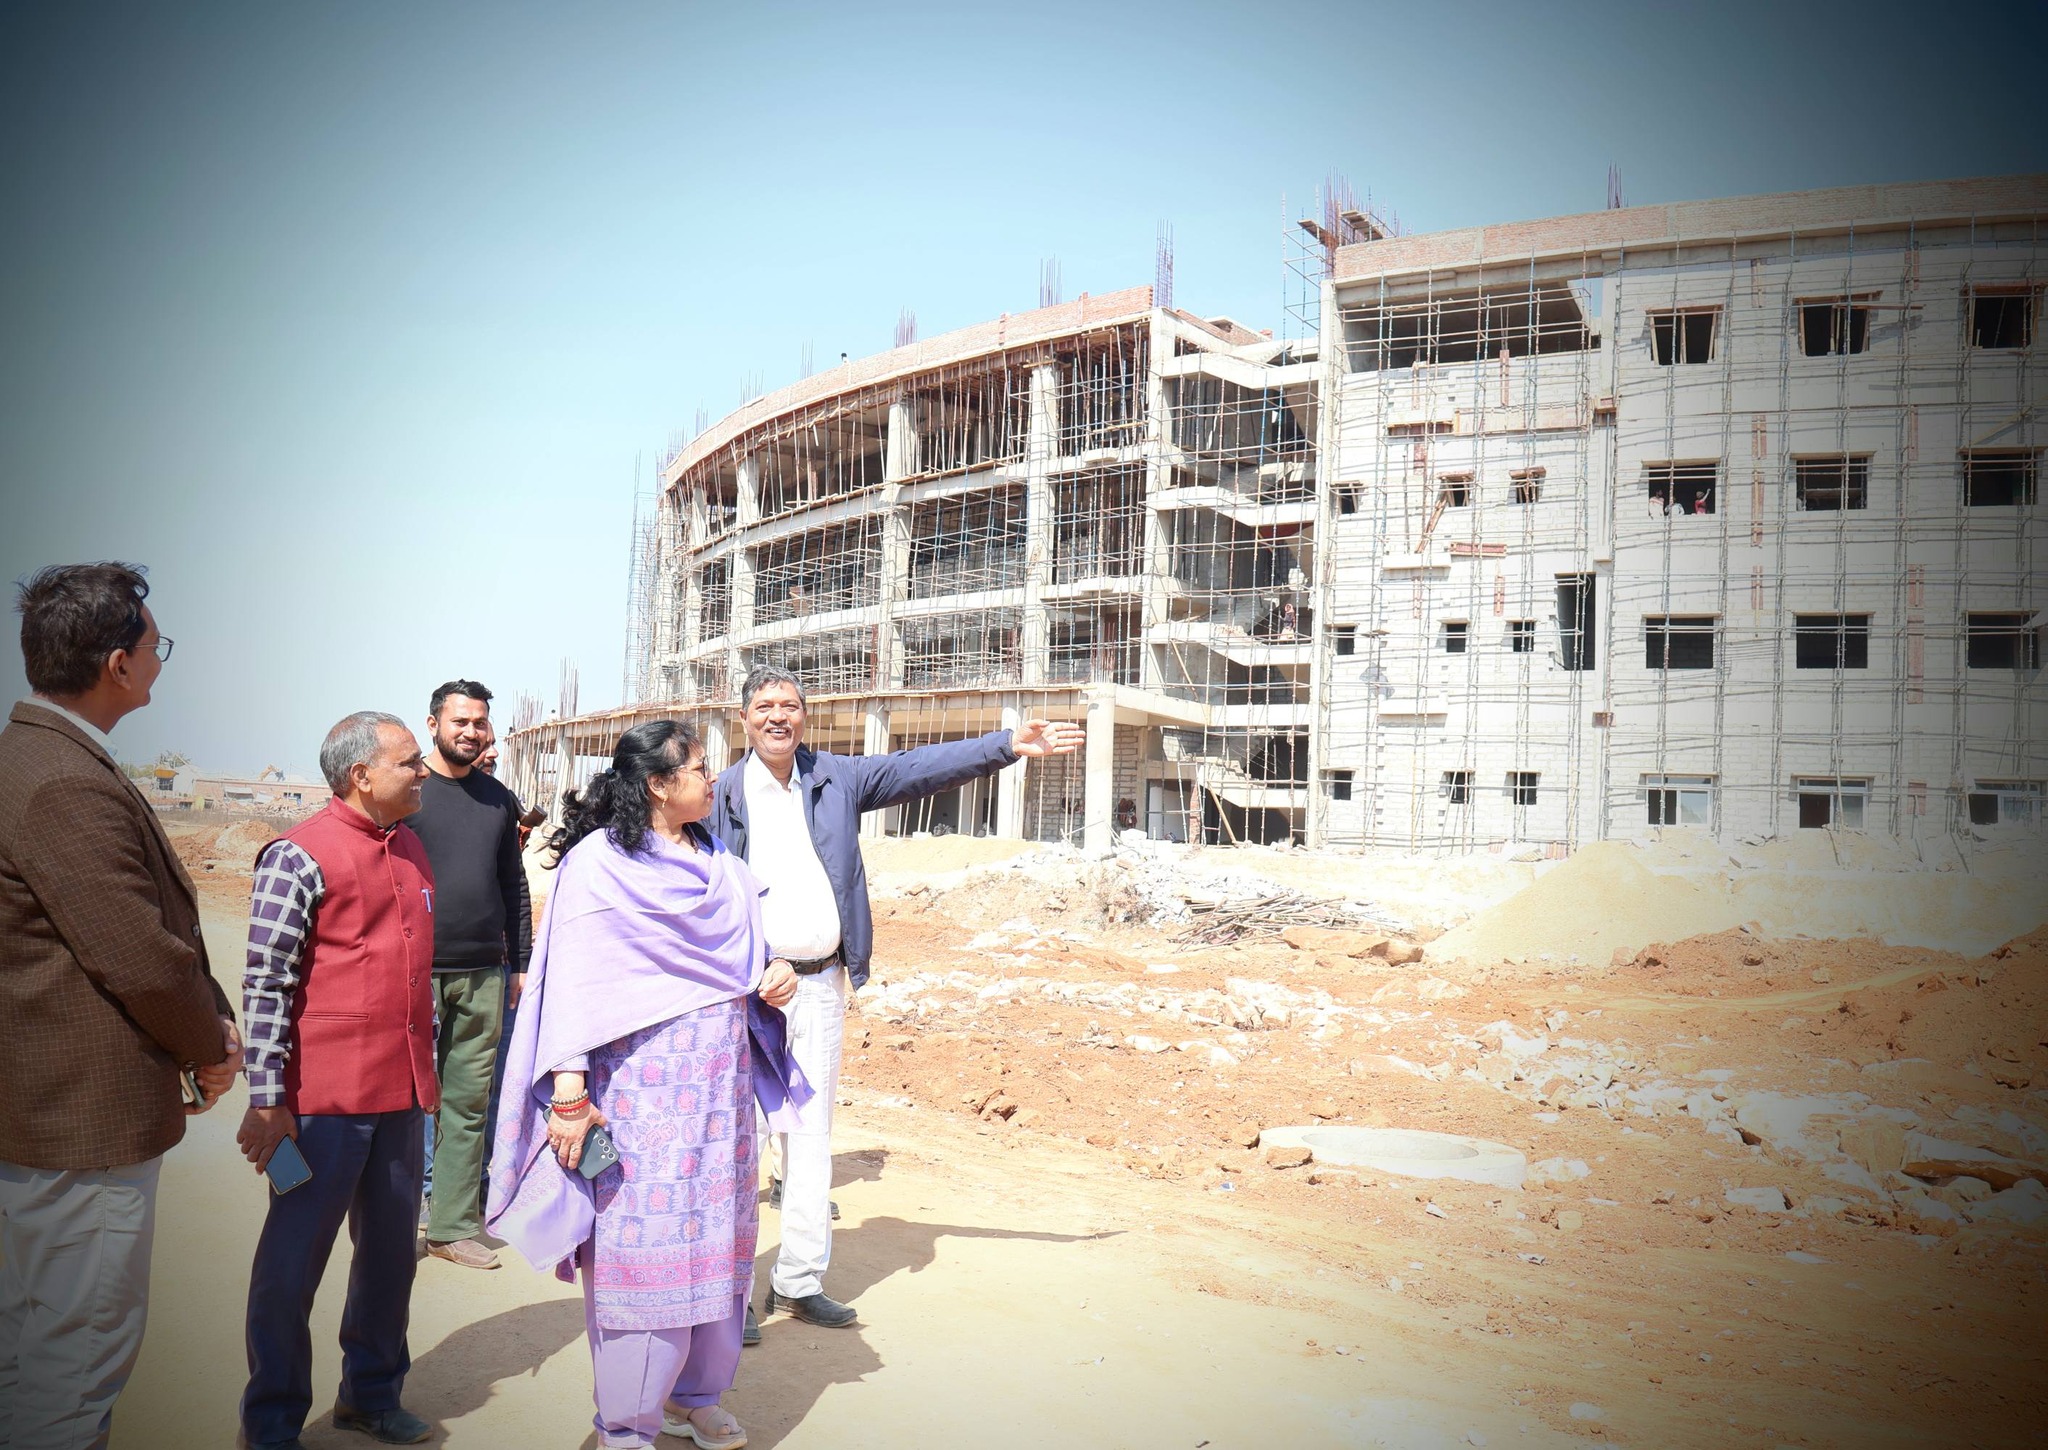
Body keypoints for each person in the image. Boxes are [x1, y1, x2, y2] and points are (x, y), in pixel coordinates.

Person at [708, 664, 1082, 1334]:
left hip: (821, 986)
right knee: (743, 1140)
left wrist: (1005, 745)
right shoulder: (722, 795)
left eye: (789, 705)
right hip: (749, 992)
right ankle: (726, 1296)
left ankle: (797, 1283)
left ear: (805, 715)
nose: (777, 717)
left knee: (810, 1137)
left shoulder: (836, 779)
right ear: (744, 718)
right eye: (764, 706)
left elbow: (917, 769)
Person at [487, 720, 807, 1450]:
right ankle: (625, 1424)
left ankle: (695, 1396)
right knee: (645, 1253)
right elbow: (571, 987)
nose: (713, 777)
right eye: (699, 767)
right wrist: (570, 1095)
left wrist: (773, 973)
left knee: (719, 1242)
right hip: (637, 1102)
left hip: (720, 1101)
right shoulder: (598, 867)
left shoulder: (722, 863)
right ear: (658, 784)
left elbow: (748, 959)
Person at [0, 562, 240, 1450]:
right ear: (117, 663)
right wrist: (209, 1044)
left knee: (29, 1358)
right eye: (155, 645)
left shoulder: (36, 756)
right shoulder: (61, 778)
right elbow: (138, 956)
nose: (159, 662)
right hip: (80, 1127)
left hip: (44, 1120)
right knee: (73, 1371)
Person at [235, 712, 440, 1450]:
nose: (422, 771)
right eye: (409, 761)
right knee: (291, 1264)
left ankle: (372, 1395)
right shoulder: (297, 856)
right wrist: (268, 1100)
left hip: (402, 1098)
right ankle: (272, 1421)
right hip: (319, 1108)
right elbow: (266, 983)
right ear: (361, 775)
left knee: (390, 1259)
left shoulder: (410, 845)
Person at [407, 680, 531, 1269]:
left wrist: (521, 962)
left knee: (467, 1103)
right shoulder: (406, 790)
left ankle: (452, 1227)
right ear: (433, 724)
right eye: (460, 721)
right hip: (412, 972)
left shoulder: (497, 799)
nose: (471, 732)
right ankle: (396, 1220)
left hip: (484, 972)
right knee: (403, 1103)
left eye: (480, 722)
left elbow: (513, 884)